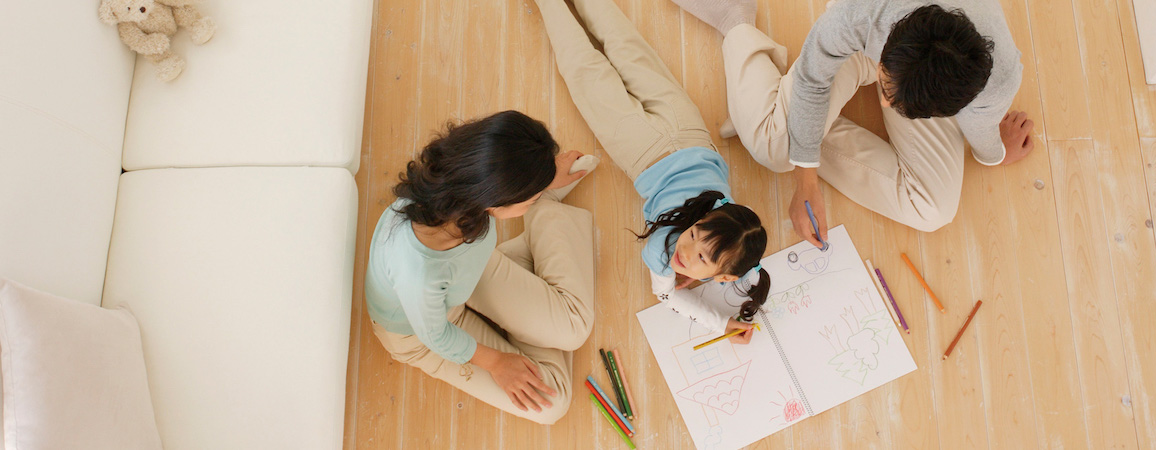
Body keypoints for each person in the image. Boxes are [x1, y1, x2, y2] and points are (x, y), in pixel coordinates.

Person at [673, 0, 1036, 244]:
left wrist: (995, 152)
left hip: (923, 70)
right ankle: (735, 21)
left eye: (897, 103)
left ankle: (771, 112)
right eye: (886, 88)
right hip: (863, 42)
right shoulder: (857, 13)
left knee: (932, 210)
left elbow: (984, 137)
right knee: (774, 150)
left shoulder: (995, 80)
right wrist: (806, 182)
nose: (883, 102)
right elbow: (817, 78)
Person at [532, 0, 772, 340]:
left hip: (688, 130)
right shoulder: (661, 249)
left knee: (626, 46)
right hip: (640, 148)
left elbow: (741, 233)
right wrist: (720, 321)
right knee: (585, 69)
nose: (684, 251)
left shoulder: (735, 217)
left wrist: (703, 265)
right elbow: (667, 295)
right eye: (692, 235)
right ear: (725, 278)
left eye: (700, 254)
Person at [364, 110, 600, 424]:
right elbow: (437, 336)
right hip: (425, 333)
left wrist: (539, 171)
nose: (531, 196)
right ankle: (536, 251)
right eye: (530, 198)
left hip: (468, 275)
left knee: (574, 330)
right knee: (551, 403)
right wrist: (498, 363)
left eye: (535, 194)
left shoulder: (465, 185)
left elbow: (499, 155)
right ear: (495, 201)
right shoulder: (418, 275)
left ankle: (540, 227)